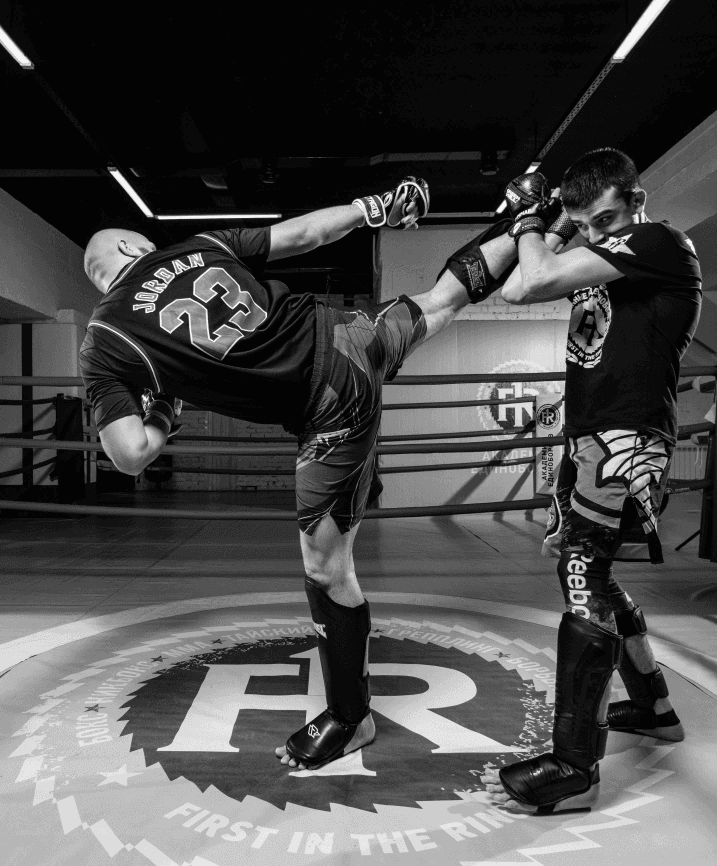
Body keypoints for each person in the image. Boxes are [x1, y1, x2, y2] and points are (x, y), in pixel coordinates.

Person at [78, 176, 532, 771]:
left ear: (100, 274)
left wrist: (163, 407)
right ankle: (532, 221)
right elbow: (304, 233)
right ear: (138, 249)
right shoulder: (196, 245)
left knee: (326, 568)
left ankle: (351, 717)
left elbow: (130, 454)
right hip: (350, 335)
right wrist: (373, 209)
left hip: (327, 409)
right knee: (439, 301)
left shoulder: (104, 340)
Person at [483, 147, 702, 813]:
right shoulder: (602, 255)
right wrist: (551, 218)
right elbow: (520, 286)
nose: (601, 233)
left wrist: (532, 218)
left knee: (580, 577)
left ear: (635, 200)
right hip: (591, 436)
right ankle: (654, 707)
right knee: (596, 577)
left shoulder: (655, 241)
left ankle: (574, 769)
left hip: (624, 437)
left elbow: (532, 276)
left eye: (607, 217)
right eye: (590, 225)